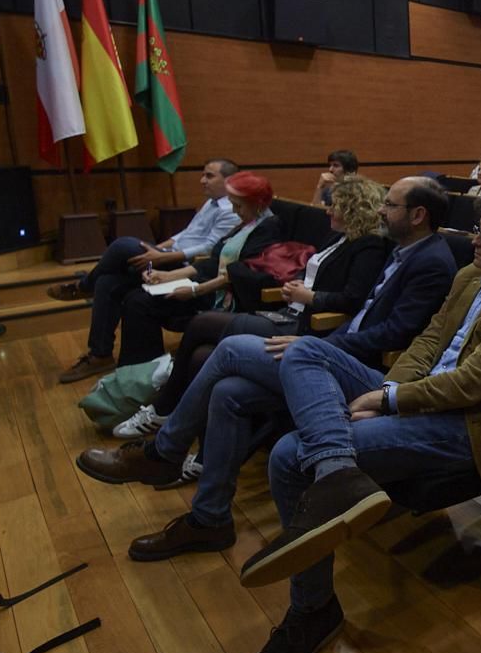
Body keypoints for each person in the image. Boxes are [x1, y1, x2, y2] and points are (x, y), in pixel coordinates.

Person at [227, 192, 481, 653]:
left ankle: (312, 610)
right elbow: (427, 342)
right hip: (414, 397)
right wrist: (383, 392)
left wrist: (388, 401)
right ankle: (337, 467)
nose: (474, 240)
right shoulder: (472, 275)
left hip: (465, 427)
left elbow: (471, 386)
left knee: (289, 455)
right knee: (306, 352)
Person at [73, 178, 457, 562]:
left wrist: (321, 347)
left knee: (228, 349)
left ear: (418, 215)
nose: (380, 211)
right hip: (333, 352)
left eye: (389, 205)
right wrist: (319, 344)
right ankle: (210, 519)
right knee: (228, 393)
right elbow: (361, 316)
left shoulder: (431, 262)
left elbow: (394, 334)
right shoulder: (403, 251)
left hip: (363, 369)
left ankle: (163, 450)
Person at [112, 176, 391, 441]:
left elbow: (353, 299)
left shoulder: (369, 245)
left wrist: (310, 296)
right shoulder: (338, 237)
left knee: (202, 325)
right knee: (200, 356)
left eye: (336, 205)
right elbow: (317, 274)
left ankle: (163, 413)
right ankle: (188, 439)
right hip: (289, 310)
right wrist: (300, 285)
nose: (328, 210)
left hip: (306, 326)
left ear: (354, 209)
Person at [50, 158, 245, 383]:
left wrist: (162, 257)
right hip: (169, 258)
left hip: (185, 267)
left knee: (123, 245)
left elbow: (210, 249)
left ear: (229, 180)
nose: (202, 181)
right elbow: (185, 235)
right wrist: (158, 249)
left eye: (209, 176)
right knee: (108, 283)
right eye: (202, 174)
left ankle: (84, 286)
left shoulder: (231, 209)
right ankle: (100, 354)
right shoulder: (211, 203)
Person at [114, 172, 283, 369]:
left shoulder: (269, 228)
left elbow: (238, 274)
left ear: (258, 204)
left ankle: (144, 371)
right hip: (208, 284)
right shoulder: (247, 223)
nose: (235, 211)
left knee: (140, 302)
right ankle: (139, 370)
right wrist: (167, 276)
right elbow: (213, 261)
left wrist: (195, 291)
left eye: (239, 205)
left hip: (229, 297)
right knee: (135, 296)